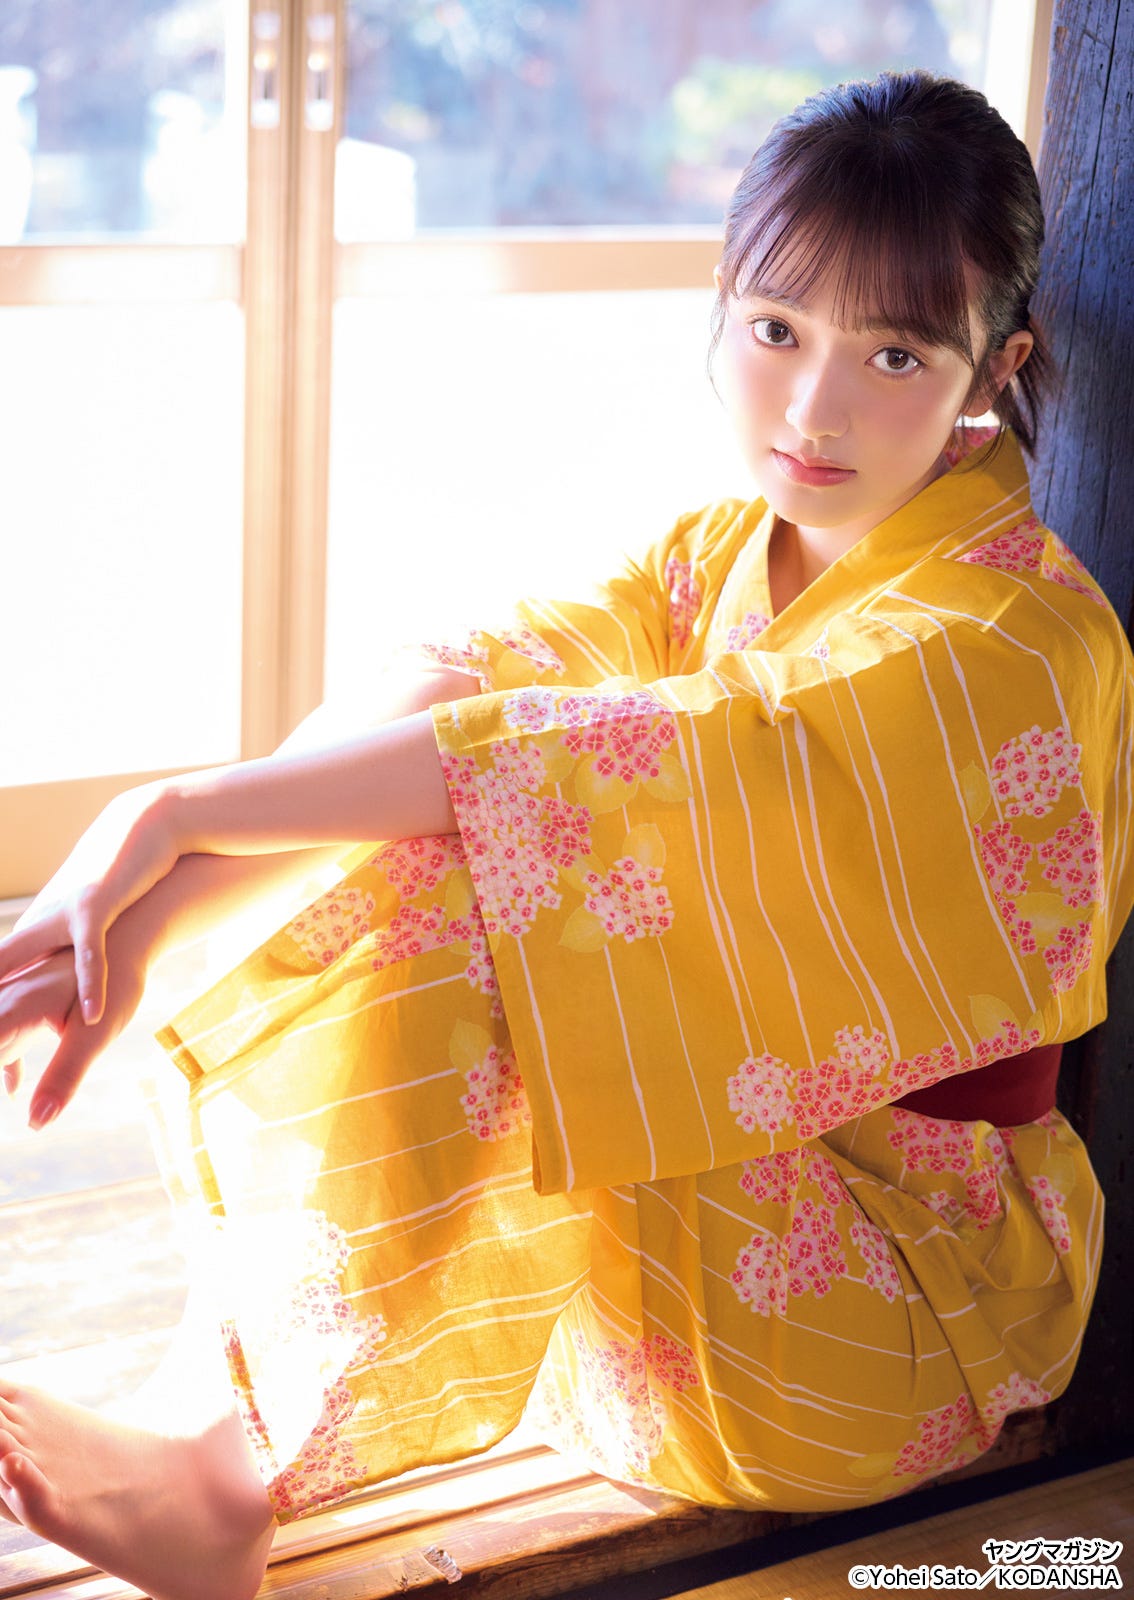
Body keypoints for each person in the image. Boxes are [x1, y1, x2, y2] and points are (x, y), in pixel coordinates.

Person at [0, 68, 1131, 1600]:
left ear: (992, 368)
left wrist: (173, 808)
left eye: (891, 352)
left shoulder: (1005, 640)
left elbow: (602, 768)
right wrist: (135, 914)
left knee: (512, 862)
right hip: (657, 1288)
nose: (812, 407)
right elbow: (471, 679)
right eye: (774, 330)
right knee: (452, 785)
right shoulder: (731, 551)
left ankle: (221, 1474)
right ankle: (219, 1424)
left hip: (886, 1320)